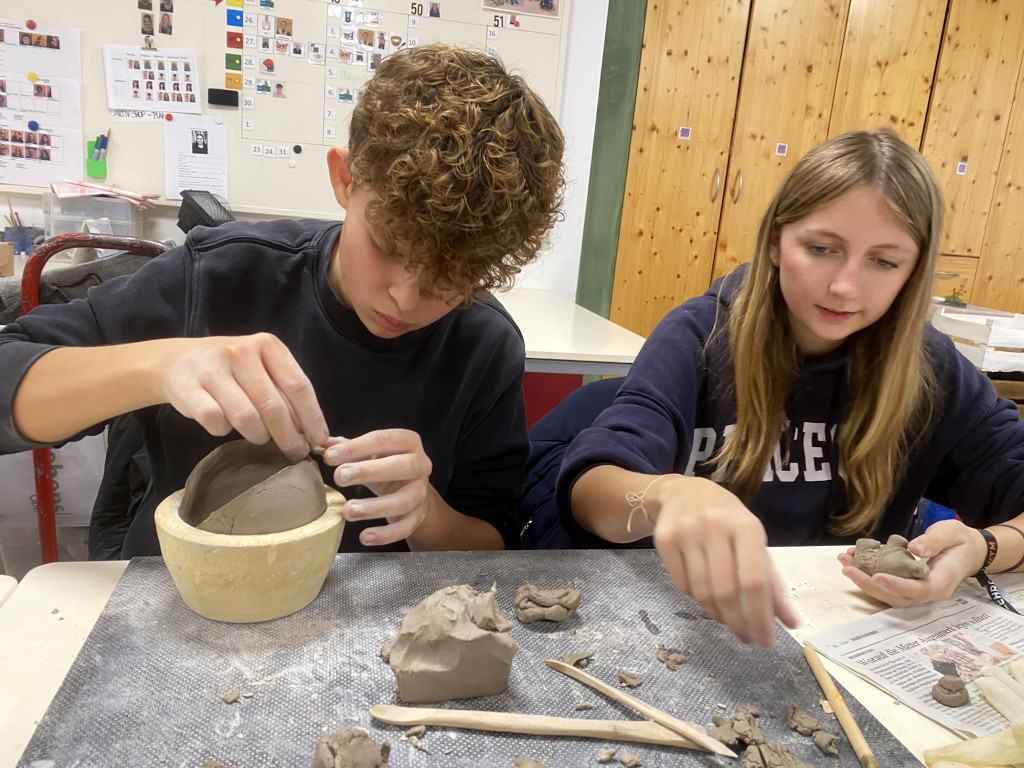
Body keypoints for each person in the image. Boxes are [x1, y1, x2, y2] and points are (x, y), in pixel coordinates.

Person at [0, 44, 565, 559]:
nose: (407, 296)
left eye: (454, 274)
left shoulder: (483, 346)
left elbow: (490, 539)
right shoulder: (221, 273)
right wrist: (159, 366)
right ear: (345, 179)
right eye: (389, 246)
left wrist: (427, 514)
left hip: (368, 630)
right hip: (182, 597)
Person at [556, 129, 1024, 648]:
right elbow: (589, 489)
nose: (845, 286)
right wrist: (666, 495)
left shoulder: (929, 366)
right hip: (685, 630)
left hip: (848, 636)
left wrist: (981, 548)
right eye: (821, 248)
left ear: (913, 272)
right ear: (777, 241)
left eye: (884, 261)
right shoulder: (700, 336)